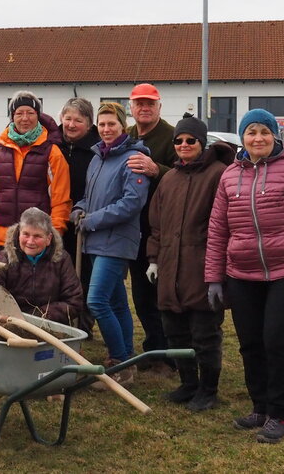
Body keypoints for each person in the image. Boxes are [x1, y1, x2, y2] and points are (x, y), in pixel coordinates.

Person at [206, 109, 284, 444]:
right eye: (251, 132)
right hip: (243, 272)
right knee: (250, 343)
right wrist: (215, 278)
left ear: (276, 135)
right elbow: (218, 229)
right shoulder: (229, 176)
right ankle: (260, 407)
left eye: (265, 131)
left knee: (277, 341)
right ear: (242, 138)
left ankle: (280, 414)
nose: (258, 138)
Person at [146, 116, 235, 411]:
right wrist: (154, 258)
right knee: (175, 331)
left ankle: (208, 389)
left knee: (205, 333)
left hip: (203, 268)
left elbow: (227, 225)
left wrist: (219, 269)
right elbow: (156, 225)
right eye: (179, 141)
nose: (184, 145)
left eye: (190, 140)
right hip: (170, 267)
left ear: (202, 143)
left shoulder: (218, 174)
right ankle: (188, 383)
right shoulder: (169, 178)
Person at [72, 102, 150, 386]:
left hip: (117, 241)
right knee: (116, 302)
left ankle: (118, 361)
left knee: (96, 301)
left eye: (111, 125)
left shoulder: (133, 158)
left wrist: (92, 220)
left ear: (123, 126)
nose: (106, 130)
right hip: (95, 240)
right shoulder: (98, 158)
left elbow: (131, 202)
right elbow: (89, 197)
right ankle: (128, 360)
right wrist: (79, 209)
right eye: (102, 125)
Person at [0, 90, 70, 258]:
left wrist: (55, 230)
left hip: (36, 239)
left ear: (38, 115)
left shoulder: (52, 152)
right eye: (19, 113)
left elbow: (60, 198)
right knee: (1, 284)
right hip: (2, 237)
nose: (25, 118)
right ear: (12, 116)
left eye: (30, 113)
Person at [125, 83, 178, 371]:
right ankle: (153, 349)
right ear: (131, 108)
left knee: (161, 292)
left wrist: (157, 169)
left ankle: (168, 353)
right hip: (134, 226)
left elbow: (186, 176)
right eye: (139, 104)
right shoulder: (128, 135)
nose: (144, 108)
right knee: (141, 294)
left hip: (163, 228)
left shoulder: (171, 136)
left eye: (150, 104)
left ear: (159, 107)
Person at [0, 207, 86, 326]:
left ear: (48, 239)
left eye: (37, 236)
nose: (30, 241)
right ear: (18, 233)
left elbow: (74, 302)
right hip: (10, 323)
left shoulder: (61, 260)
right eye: (26, 234)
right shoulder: (6, 257)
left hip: (49, 325)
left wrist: (38, 316)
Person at [56, 96, 100, 332]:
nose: (71, 125)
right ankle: (62, 319)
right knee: (60, 271)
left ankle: (84, 323)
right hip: (58, 218)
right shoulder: (54, 145)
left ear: (89, 124)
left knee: (85, 274)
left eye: (78, 120)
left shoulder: (97, 150)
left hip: (86, 220)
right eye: (67, 118)